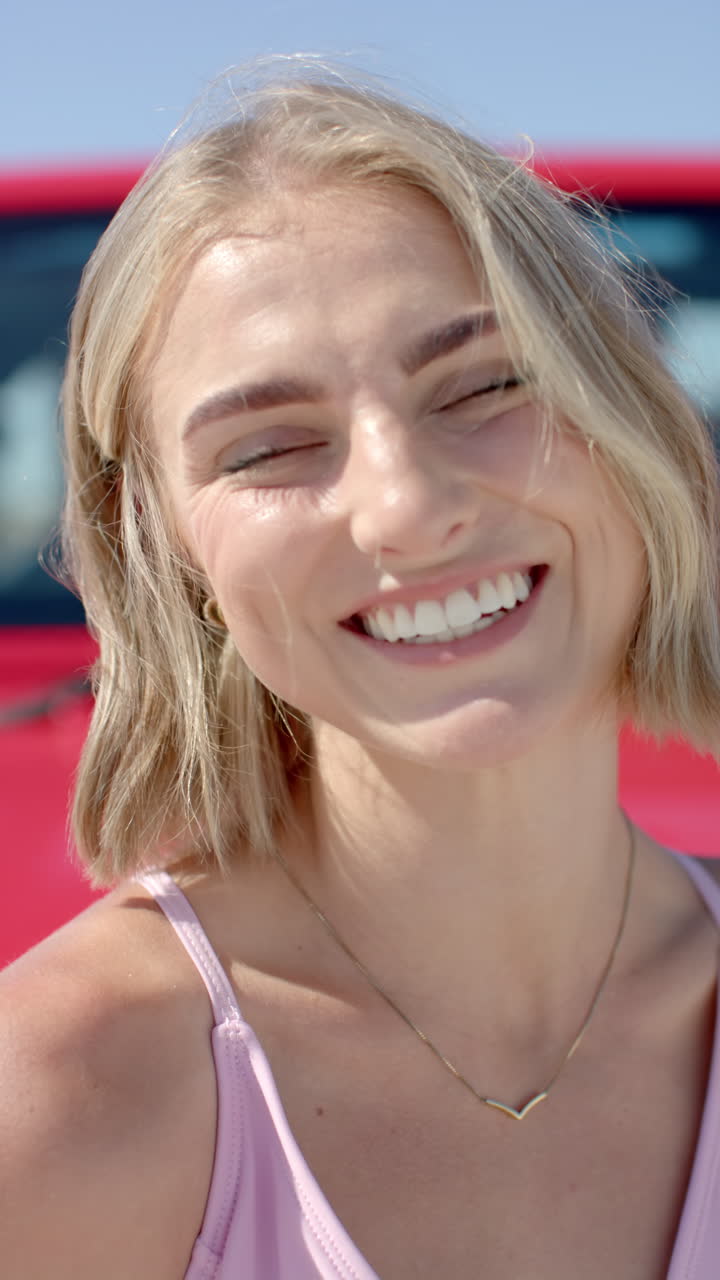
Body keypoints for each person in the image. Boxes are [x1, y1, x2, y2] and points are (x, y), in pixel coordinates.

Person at [1, 63, 720, 1280]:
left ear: (628, 420)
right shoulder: (57, 1096)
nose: (406, 506)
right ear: (163, 547)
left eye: (489, 382)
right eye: (271, 445)